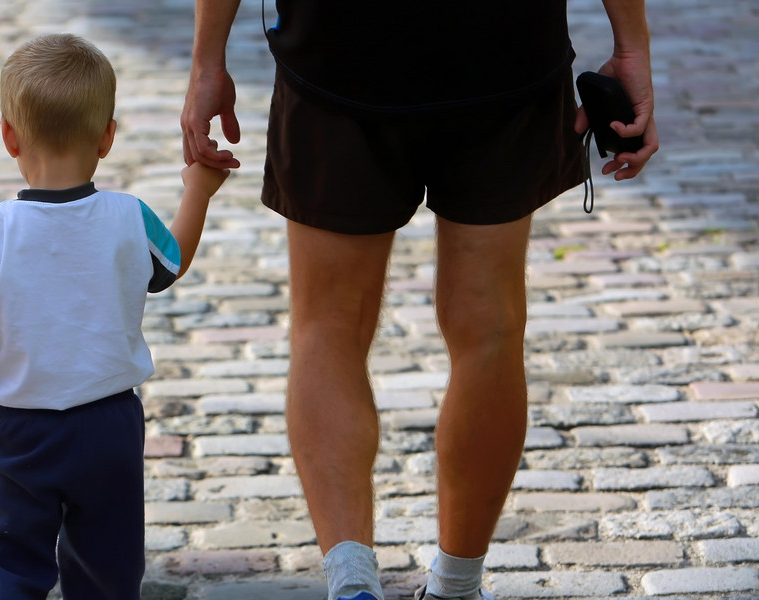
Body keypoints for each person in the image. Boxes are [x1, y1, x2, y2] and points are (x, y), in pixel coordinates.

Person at [181, 2, 658, 600]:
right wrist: (632, 48)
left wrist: (207, 63)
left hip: (337, 54)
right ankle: (457, 588)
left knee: (328, 327)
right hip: (504, 55)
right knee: (489, 328)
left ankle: (352, 583)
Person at [0, 33, 228, 600]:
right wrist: (199, 191)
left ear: (8, 136)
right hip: (108, 427)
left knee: (10, 564)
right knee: (107, 567)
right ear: (107, 137)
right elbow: (173, 264)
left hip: (20, 430)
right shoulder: (128, 217)